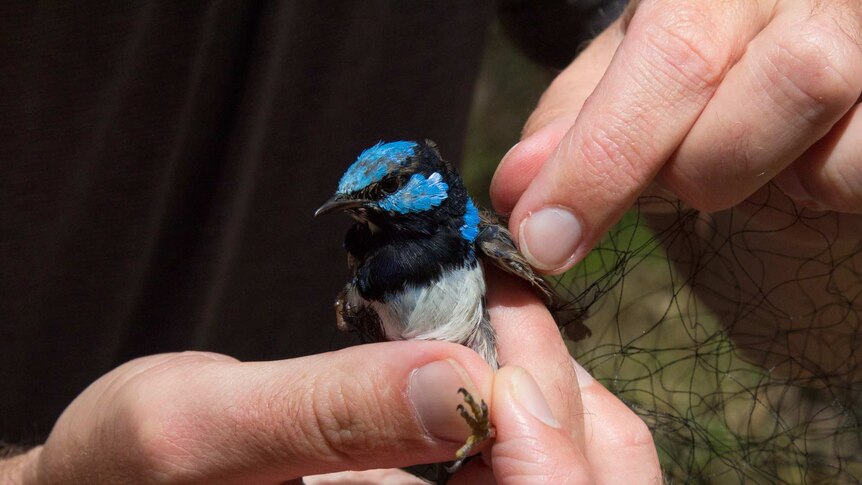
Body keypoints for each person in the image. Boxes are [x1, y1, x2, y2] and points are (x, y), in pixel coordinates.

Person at [3, 0, 860, 483]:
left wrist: (801, 168)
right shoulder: (370, 265)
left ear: (424, 182)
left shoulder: (470, 238)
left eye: (375, 194)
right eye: (354, 201)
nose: (357, 210)